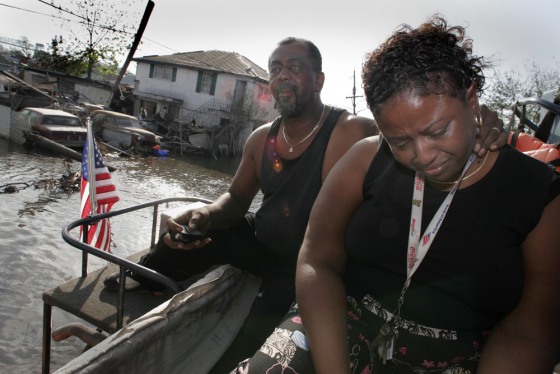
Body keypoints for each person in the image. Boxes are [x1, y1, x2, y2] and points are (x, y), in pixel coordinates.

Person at [105, 36, 506, 372]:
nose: (282, 75)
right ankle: (143, 278)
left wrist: (478, 117)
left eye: (294, 67)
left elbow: (408, 133)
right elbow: (234, 199)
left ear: (318, 80)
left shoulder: (350, 131)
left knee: (256, 332)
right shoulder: (262, 137)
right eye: (275, 67)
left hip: (307, 262)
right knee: (189, 234)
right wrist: (204, 215)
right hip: (262, 244)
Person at [234, 17, 560, 374]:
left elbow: (529, 327)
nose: (422, 155)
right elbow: (317, 258)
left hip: (458, 357)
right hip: (342, 323)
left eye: (438, 131)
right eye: (400, 142)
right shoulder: (366, 158)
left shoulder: (538, 195)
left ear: (471, 98)